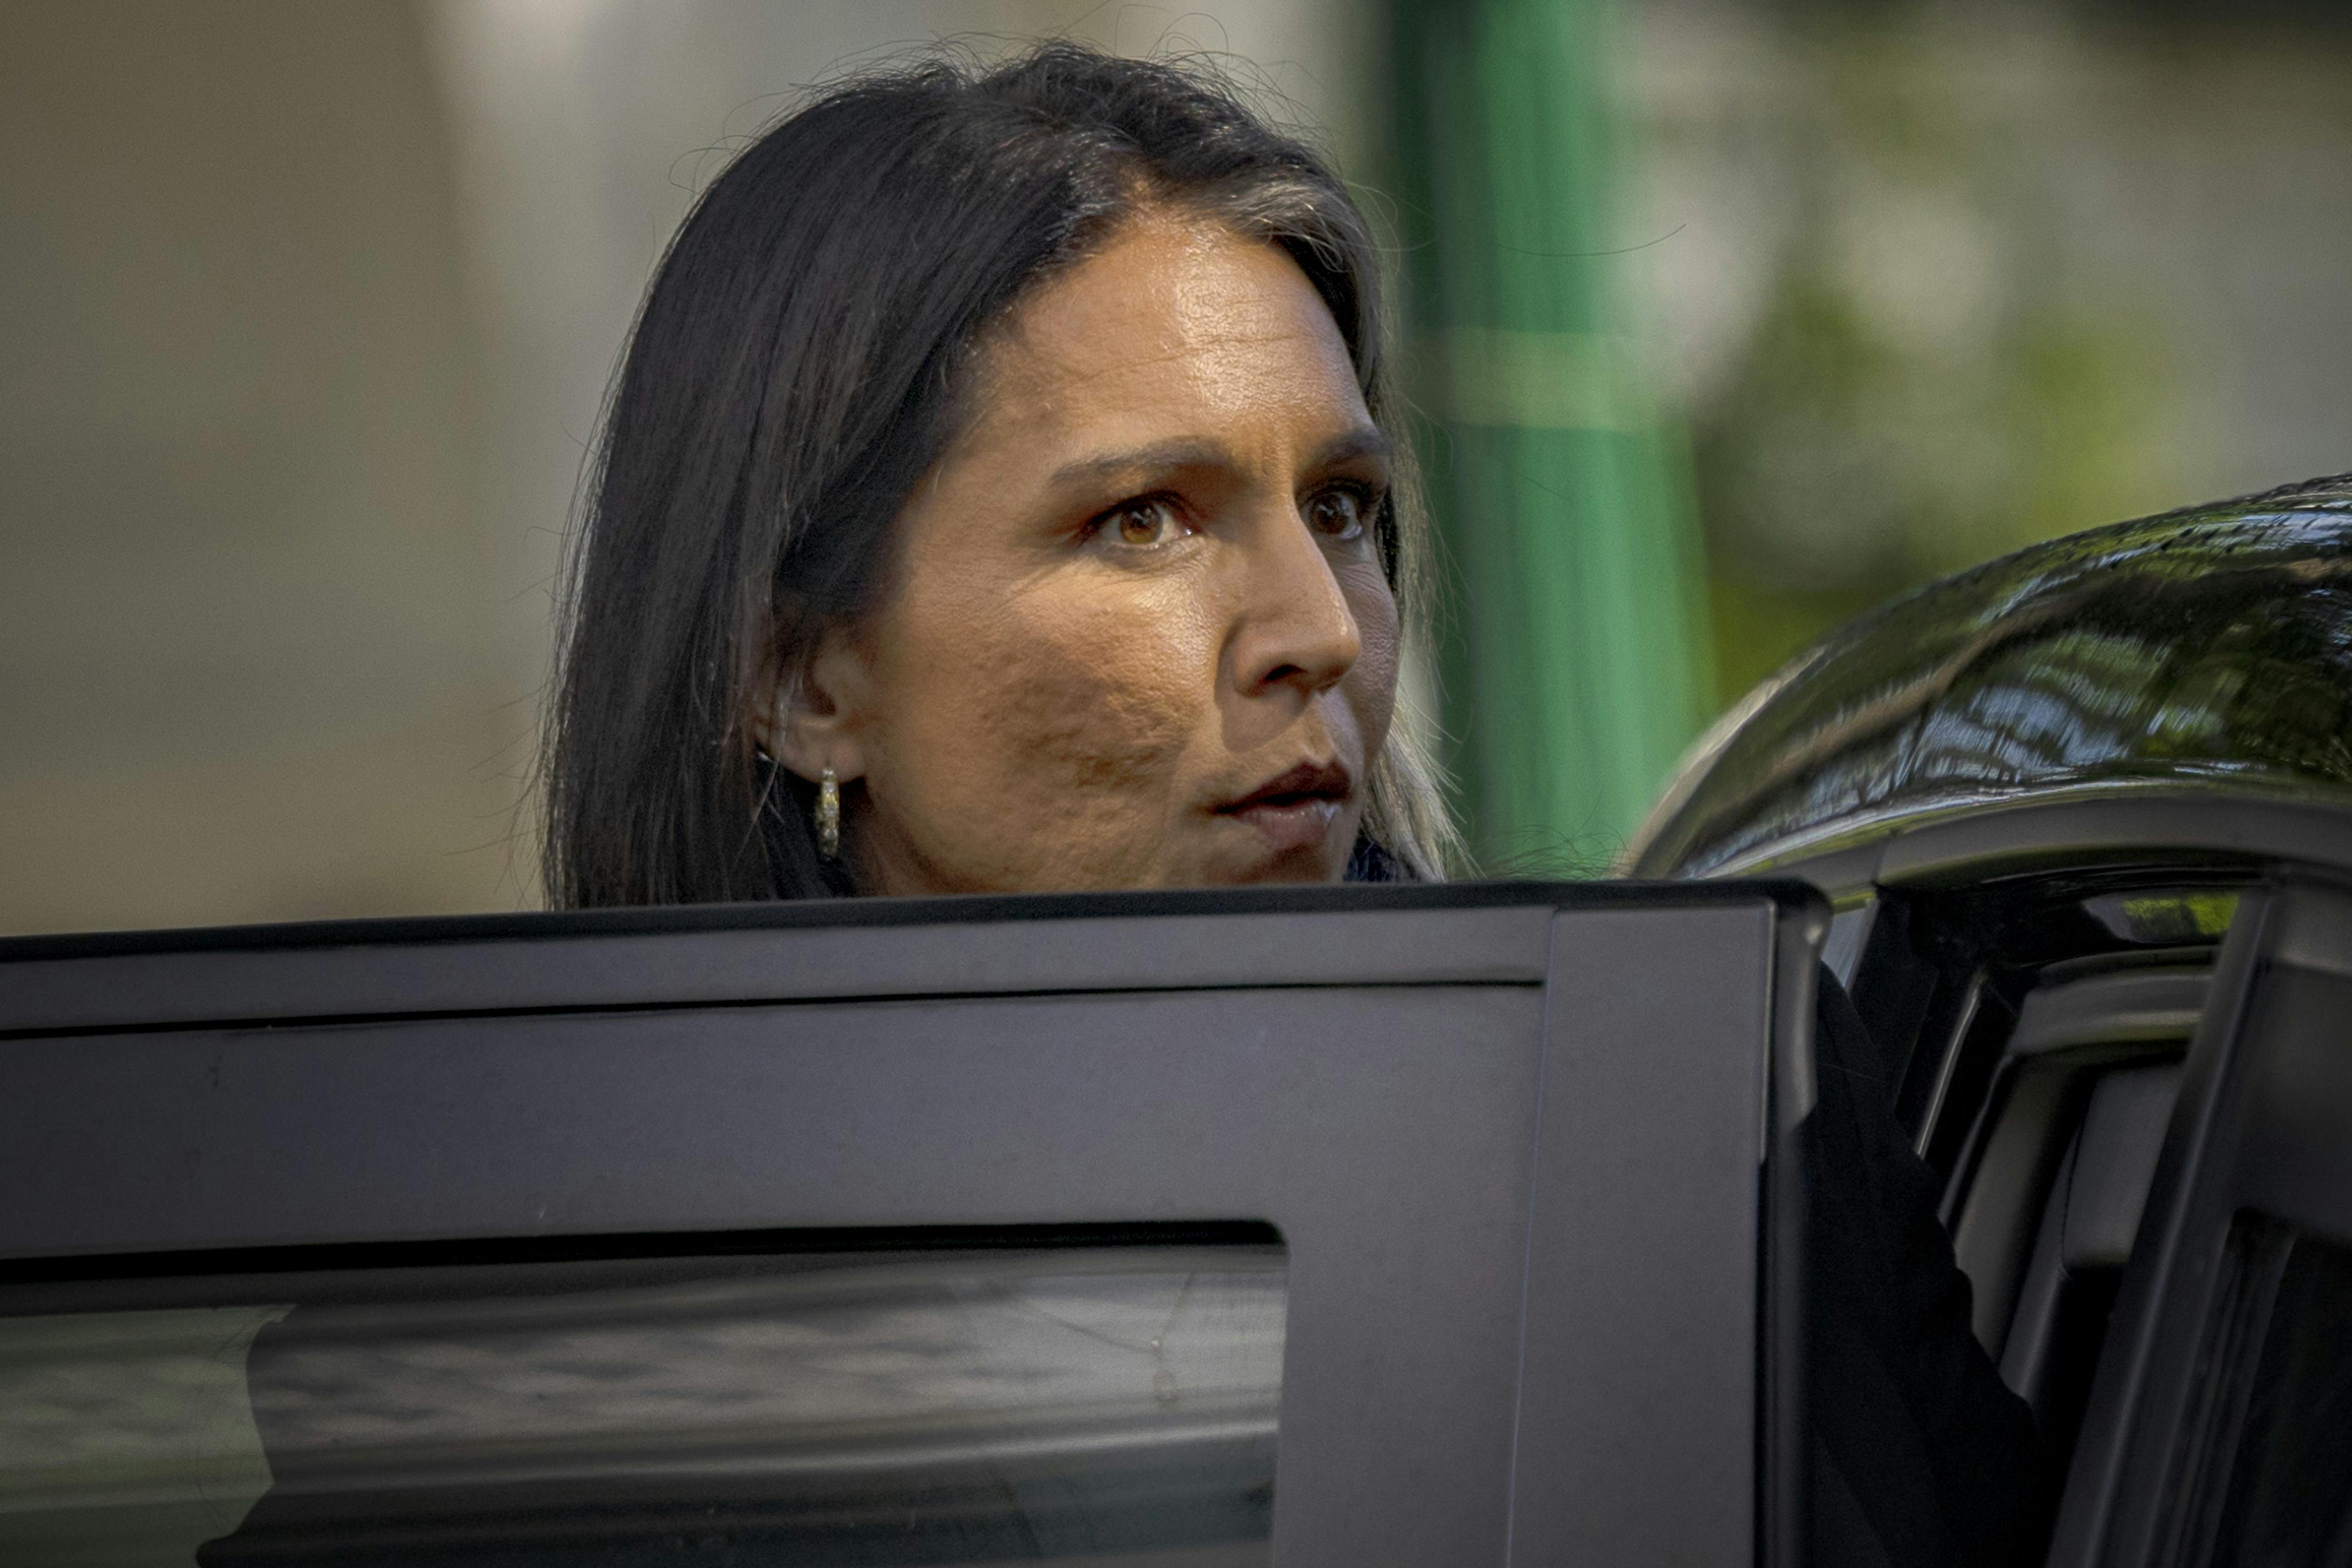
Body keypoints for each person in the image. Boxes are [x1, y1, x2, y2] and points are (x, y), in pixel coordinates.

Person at [529, 41, 2046, 1564]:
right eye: (1142, 521)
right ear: (801, 678)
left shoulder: (1707, 1132)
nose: (1319, 626)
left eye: (1342, 507)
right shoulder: (492, 1326)